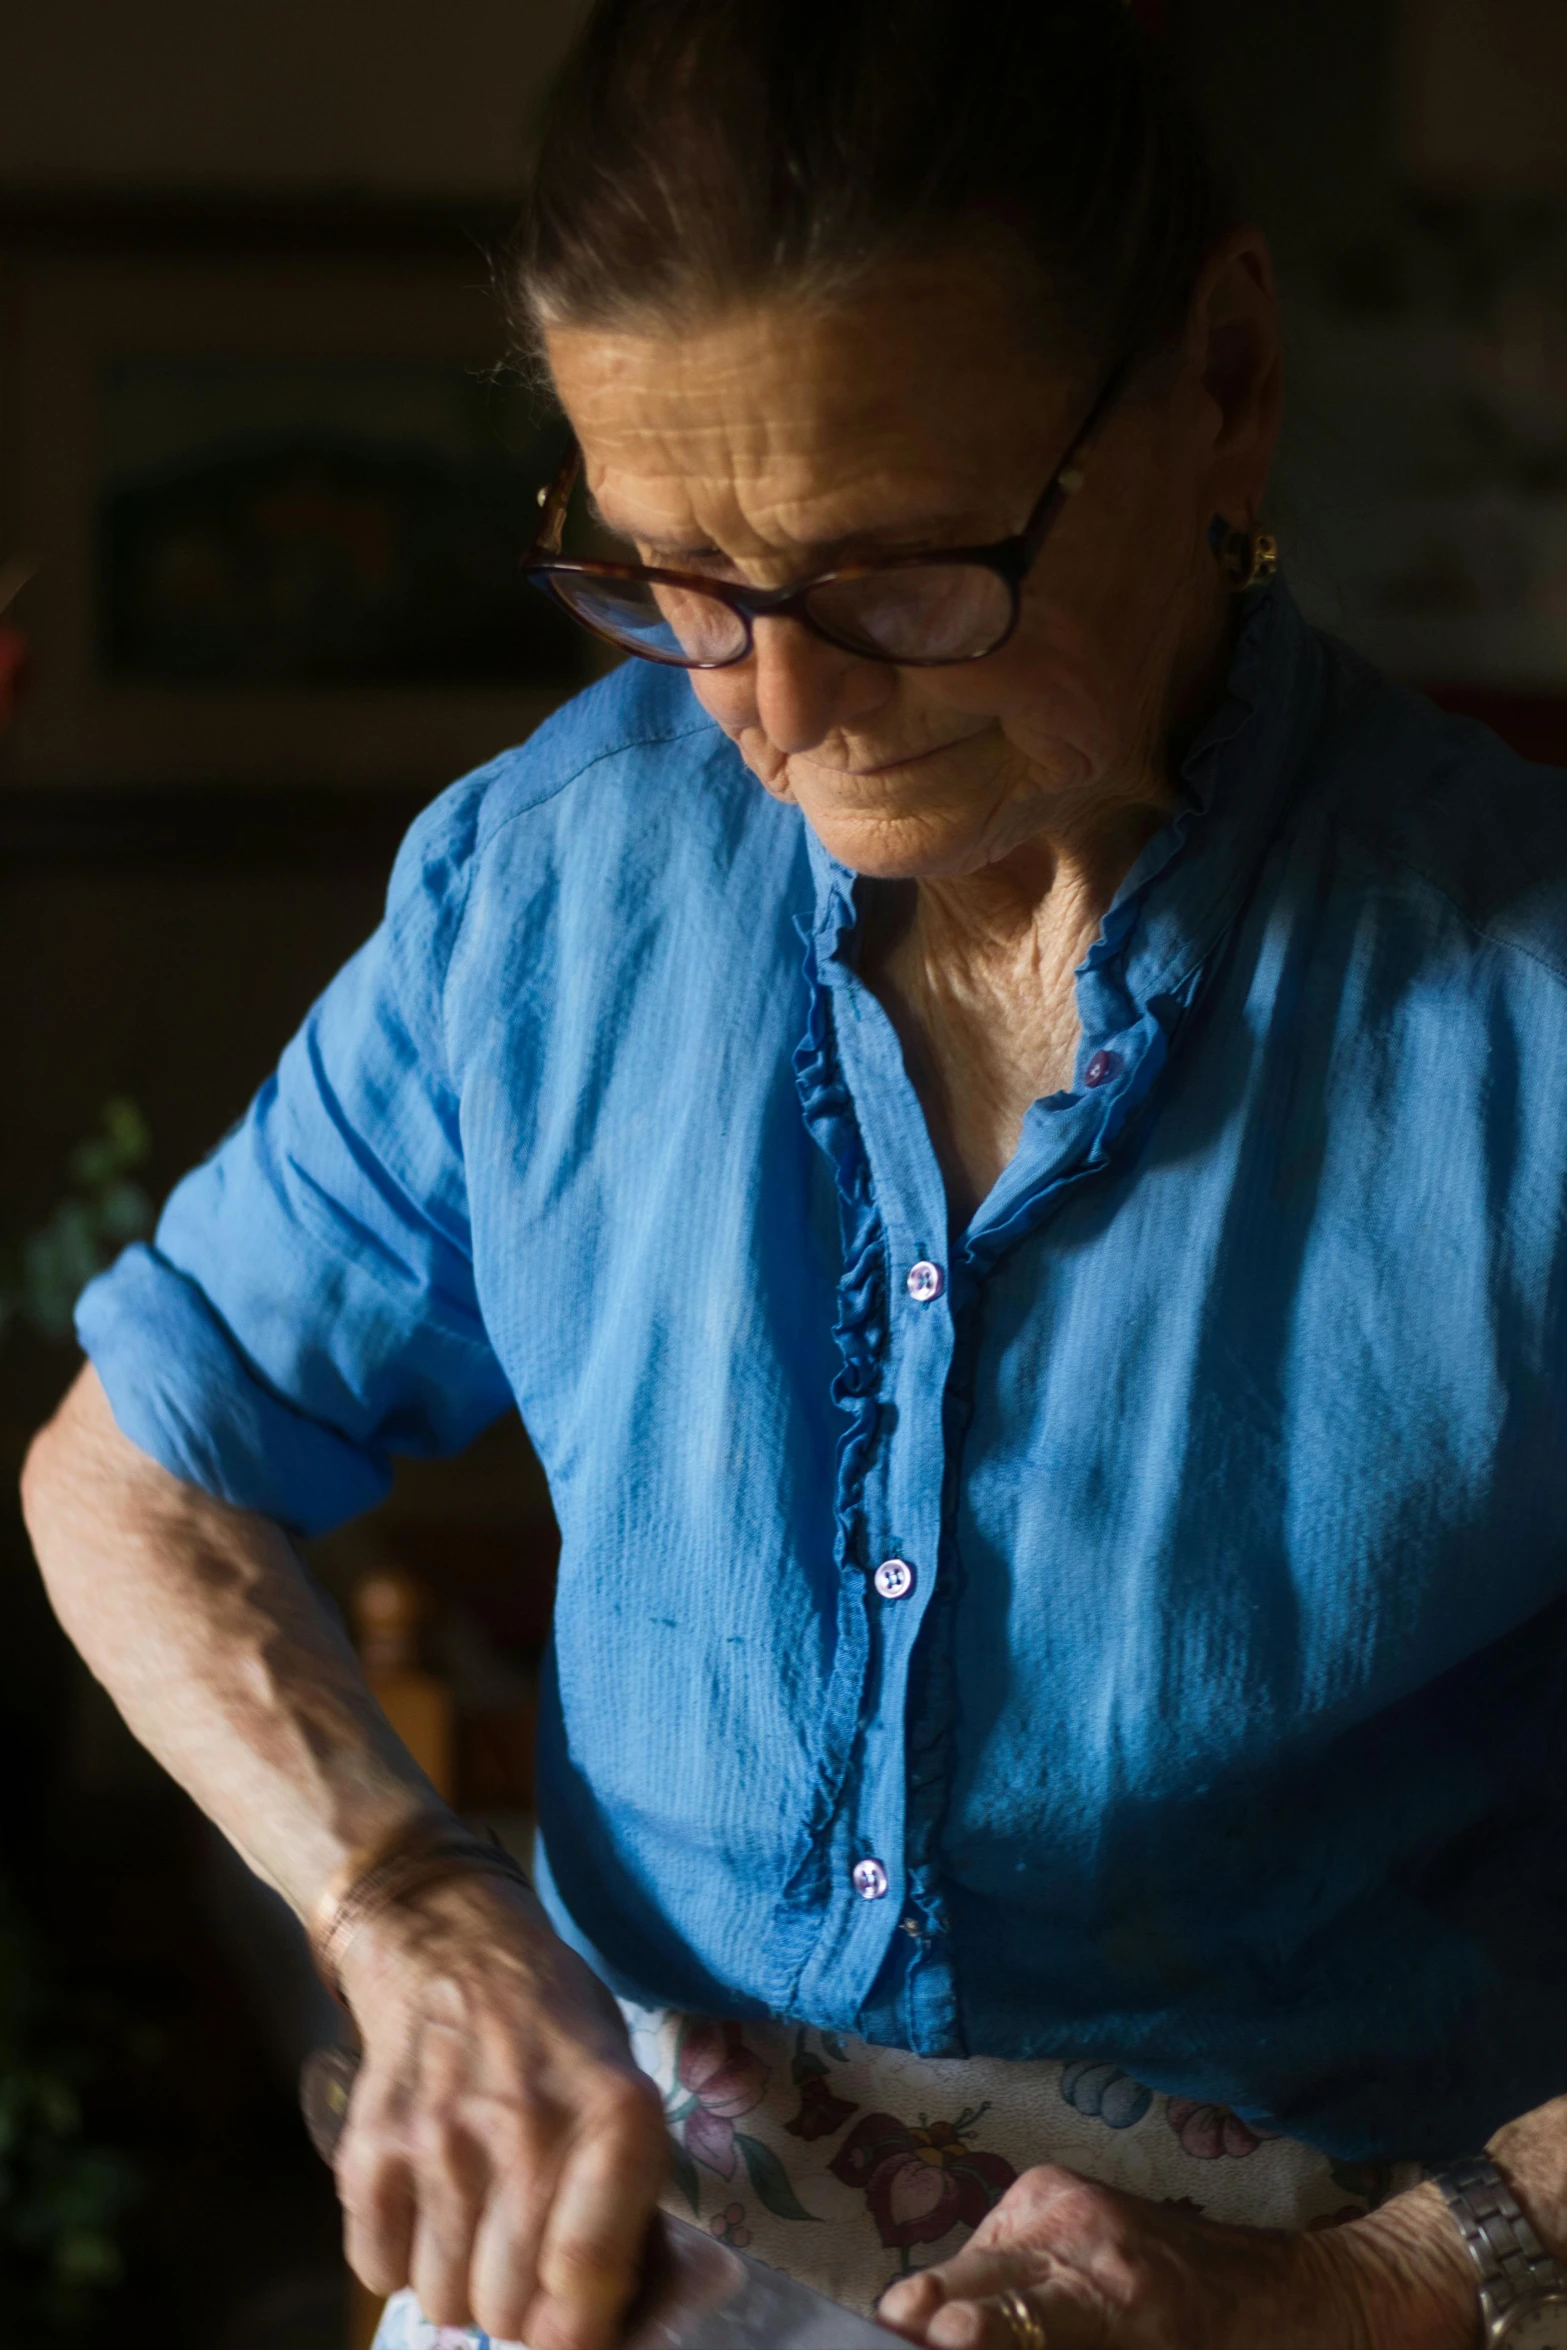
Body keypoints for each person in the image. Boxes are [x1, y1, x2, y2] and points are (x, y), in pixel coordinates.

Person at [22, 1, 1567, 2344]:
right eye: (675, 575)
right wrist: (408, 1904)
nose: (782, 708)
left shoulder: (1528, 1005)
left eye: (901, 574)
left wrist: (1359, 2284)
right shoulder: (551, 889)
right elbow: (132, 1471)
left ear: (1225, 378)